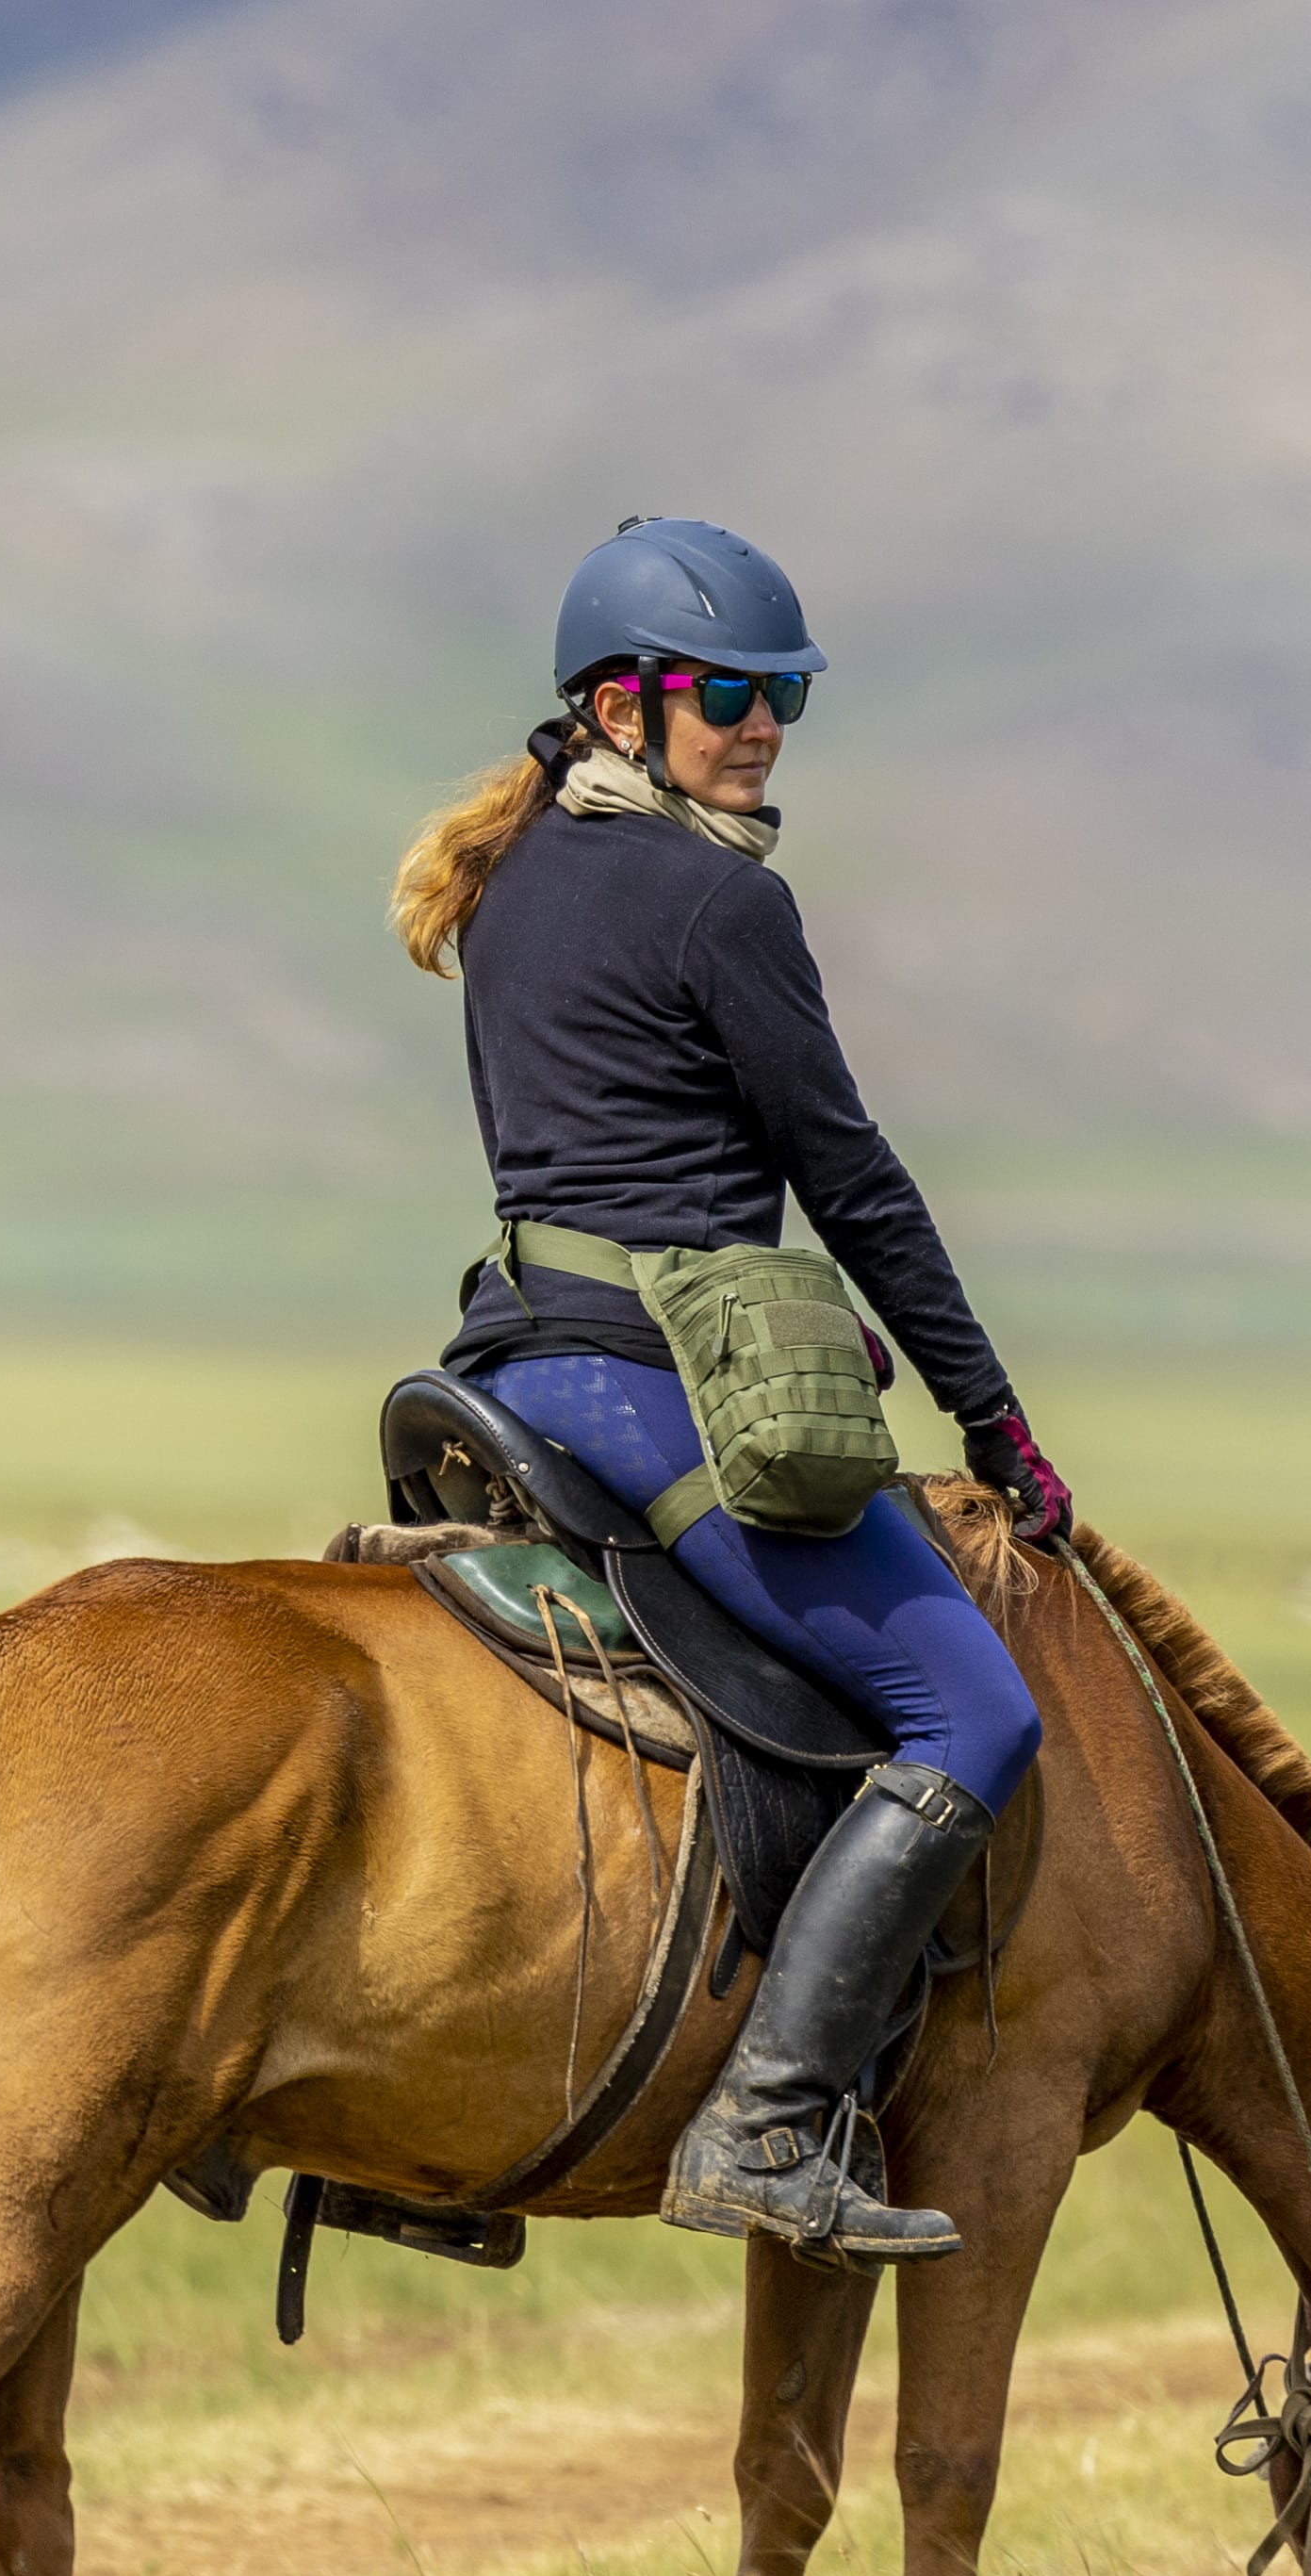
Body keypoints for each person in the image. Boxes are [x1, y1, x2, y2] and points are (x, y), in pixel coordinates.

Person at [389, 516, 1077, 2270]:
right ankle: (767, 2122)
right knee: (976, 1720)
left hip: (518, 1368)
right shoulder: (723, 898)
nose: (761, 725)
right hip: (652, 1395)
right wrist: (995, 1428)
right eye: (726, 695)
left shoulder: (513, 874)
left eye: (782, 698)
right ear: (623, 705)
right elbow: (851, 1182)